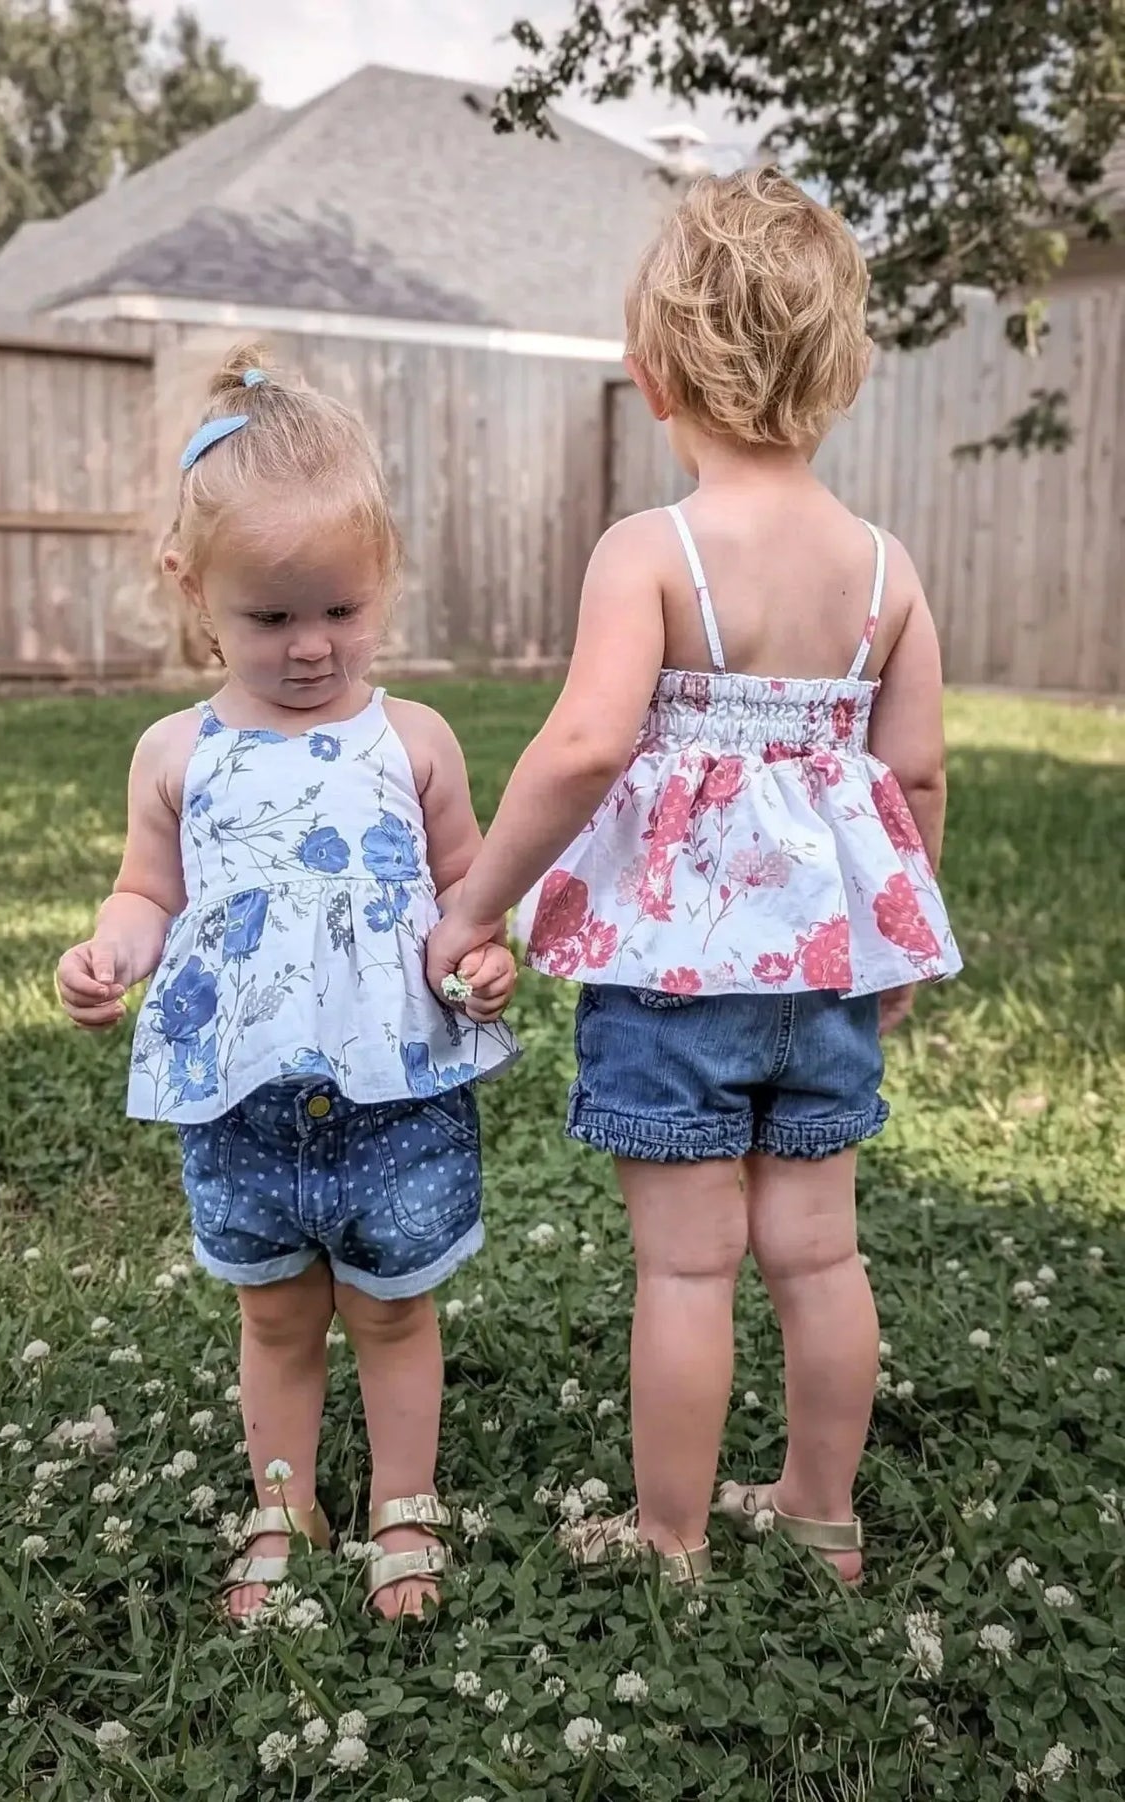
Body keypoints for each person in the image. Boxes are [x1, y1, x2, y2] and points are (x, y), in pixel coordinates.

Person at [428, 169, 961, 1586]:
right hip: (827, 980)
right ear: (843, 368)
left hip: (677, 978)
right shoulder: (886, 570)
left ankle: (668, 1535)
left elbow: (591, 740)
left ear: (652, 370)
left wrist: (480, 900)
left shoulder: (649, 553)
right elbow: (914, 783)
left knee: (686, 1269)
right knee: (818, 1252)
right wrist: (894, 950)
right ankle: (820, 1511)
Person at [56, 345, 518, 1620]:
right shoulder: (175, 753)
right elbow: (149, 891)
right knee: (274, 1318)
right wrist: (113, 952)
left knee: (392, 1312)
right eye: (271, 618)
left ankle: (403, 1508)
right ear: (194, 589)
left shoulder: (412, 739)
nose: (313, 646)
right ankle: (283, 1499)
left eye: (342, 609)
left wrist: (483, 959)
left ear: (384, 582)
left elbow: (467, 893)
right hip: (243, 1098)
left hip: (396, 1091)